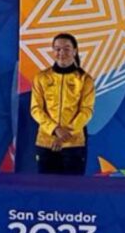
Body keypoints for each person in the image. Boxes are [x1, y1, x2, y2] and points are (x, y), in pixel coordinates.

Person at [31, 33, 95, 175]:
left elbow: (86, 111)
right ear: (53, 51)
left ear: (75, 51)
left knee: (73, 191)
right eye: (57, 49)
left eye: (66, 49)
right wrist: (54, 129)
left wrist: (65, 135)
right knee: (45, 190)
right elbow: (36, 109)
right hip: (46, 142)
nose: (61, 53)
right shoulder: (41, 78)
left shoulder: (85, 79)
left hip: (74, 144)